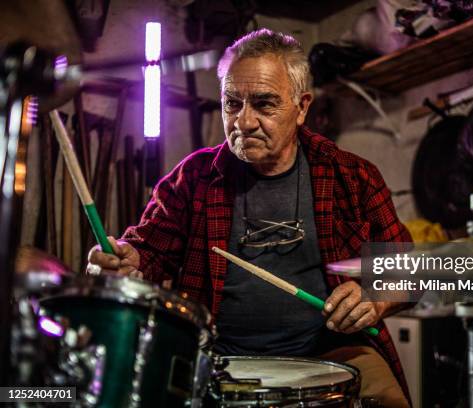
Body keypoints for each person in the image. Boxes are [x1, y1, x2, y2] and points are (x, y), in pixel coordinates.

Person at [88, 28, 413, 407]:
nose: (243, 121)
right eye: (232, 103)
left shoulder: (351, 176)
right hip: (216, 356)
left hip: (332, 351)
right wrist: (126, 258)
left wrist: (373, 298)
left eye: (263, 104)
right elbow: (147, 250)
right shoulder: (194, 178)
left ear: (302, 106)